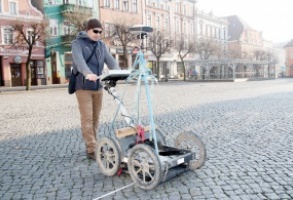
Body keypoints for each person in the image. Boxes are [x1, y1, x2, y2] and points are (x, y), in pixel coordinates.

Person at [71, 18, 120, 160]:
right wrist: (88, 74)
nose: (98, 34)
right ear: (87, 30)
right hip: (83, 86)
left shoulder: (101, 45)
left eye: (100, 31)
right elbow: (79, 62)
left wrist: (117, 72)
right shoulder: (77, 44)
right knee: (87, 118)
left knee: (96, 118)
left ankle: (94, 144)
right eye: (95, 31)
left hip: (98, 86)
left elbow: (110, 60)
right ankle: (91, 149)